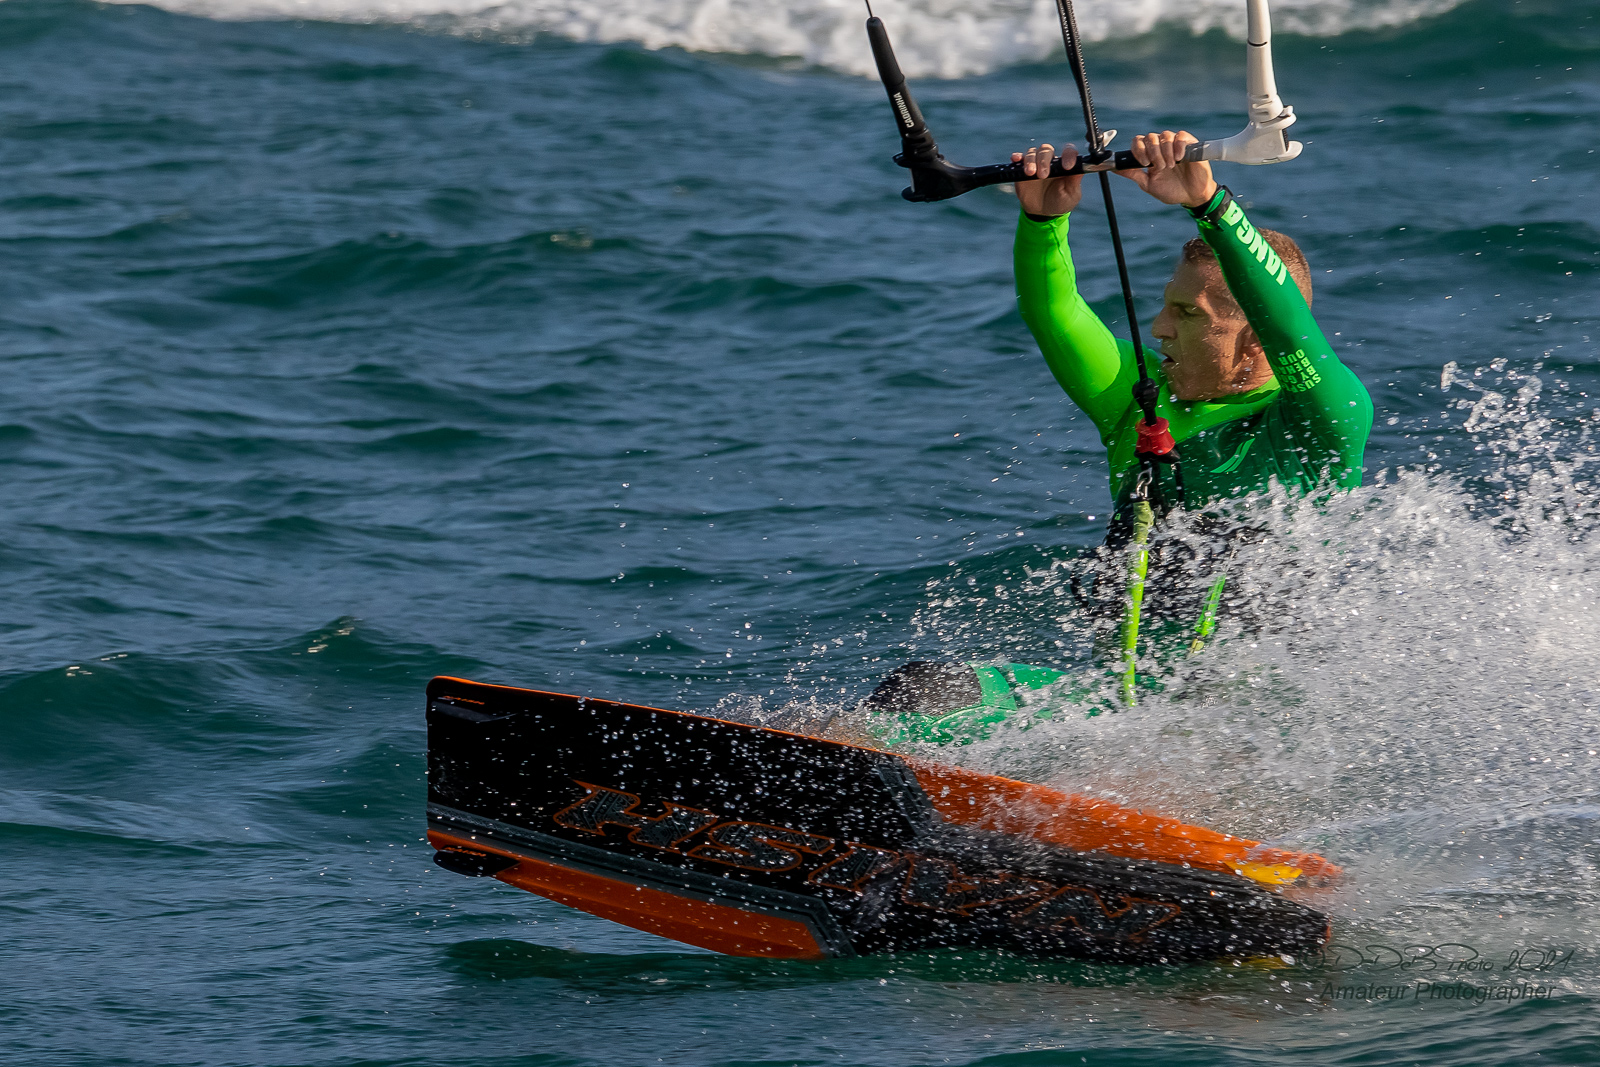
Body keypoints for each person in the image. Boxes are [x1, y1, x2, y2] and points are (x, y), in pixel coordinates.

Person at [853, 132, 1374, 741]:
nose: (1158, 328)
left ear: (1253, 340)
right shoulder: (1143, 399)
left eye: (1188, 315)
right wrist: (1044, 221)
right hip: (1119, 712)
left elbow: (1294, 332)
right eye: (1165, 306)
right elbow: (1056, 313)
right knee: (920, 691)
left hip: (1249, 731)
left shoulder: (1320, 426)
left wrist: (1210, 207)